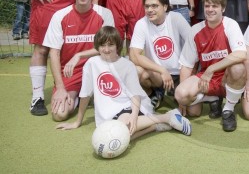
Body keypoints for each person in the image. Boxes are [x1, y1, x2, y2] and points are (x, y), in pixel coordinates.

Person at [56, 26, 192, 139]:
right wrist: (78, 121)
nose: (106, 49)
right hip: (108, 112)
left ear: (118, 46)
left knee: (124, 127)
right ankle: (154, 126)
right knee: (120, 137)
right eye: (102, 45)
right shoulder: (92, 64)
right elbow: (85, 94)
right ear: (97, 46)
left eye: (111, 45)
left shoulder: (127, 65)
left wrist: (133, 115)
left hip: (129, 105)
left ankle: (167, 117)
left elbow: (135, 95)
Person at [43, 0, 114, 121]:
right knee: (59, 114)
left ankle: (95, 93)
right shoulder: (60, 16)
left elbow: (109, 48)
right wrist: (61, 88)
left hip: (99, 68)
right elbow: (54, 53)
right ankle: (77, 96)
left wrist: (80, 55)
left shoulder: (104, 13)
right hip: (71, 72)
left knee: (116, 107)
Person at [175, 0, 247, 132]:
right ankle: (212, 98)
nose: (210, 9)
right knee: (182, 97)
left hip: (227, 78)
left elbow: (241, 54)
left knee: (238, 68)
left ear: (223, 8)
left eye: (215, 6)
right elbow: (186, 65)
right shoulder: (195, 30)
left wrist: (211, 69)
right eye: (207, 6)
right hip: (207, 80)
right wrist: (182, 102)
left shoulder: (231, 25)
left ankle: (228, 110)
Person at [129, 0, 191, 110]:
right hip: (157, 75)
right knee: (136, 71)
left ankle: (174, 92)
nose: (150, 10)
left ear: (165, 6)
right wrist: (162, 70)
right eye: (147, 7)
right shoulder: (141, 24)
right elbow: (133, 55)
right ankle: (154, 93)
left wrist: (188, 73)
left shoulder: (176, 18)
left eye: (154, 6)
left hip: (179, 73)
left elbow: (193, 44)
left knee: (192, 112)